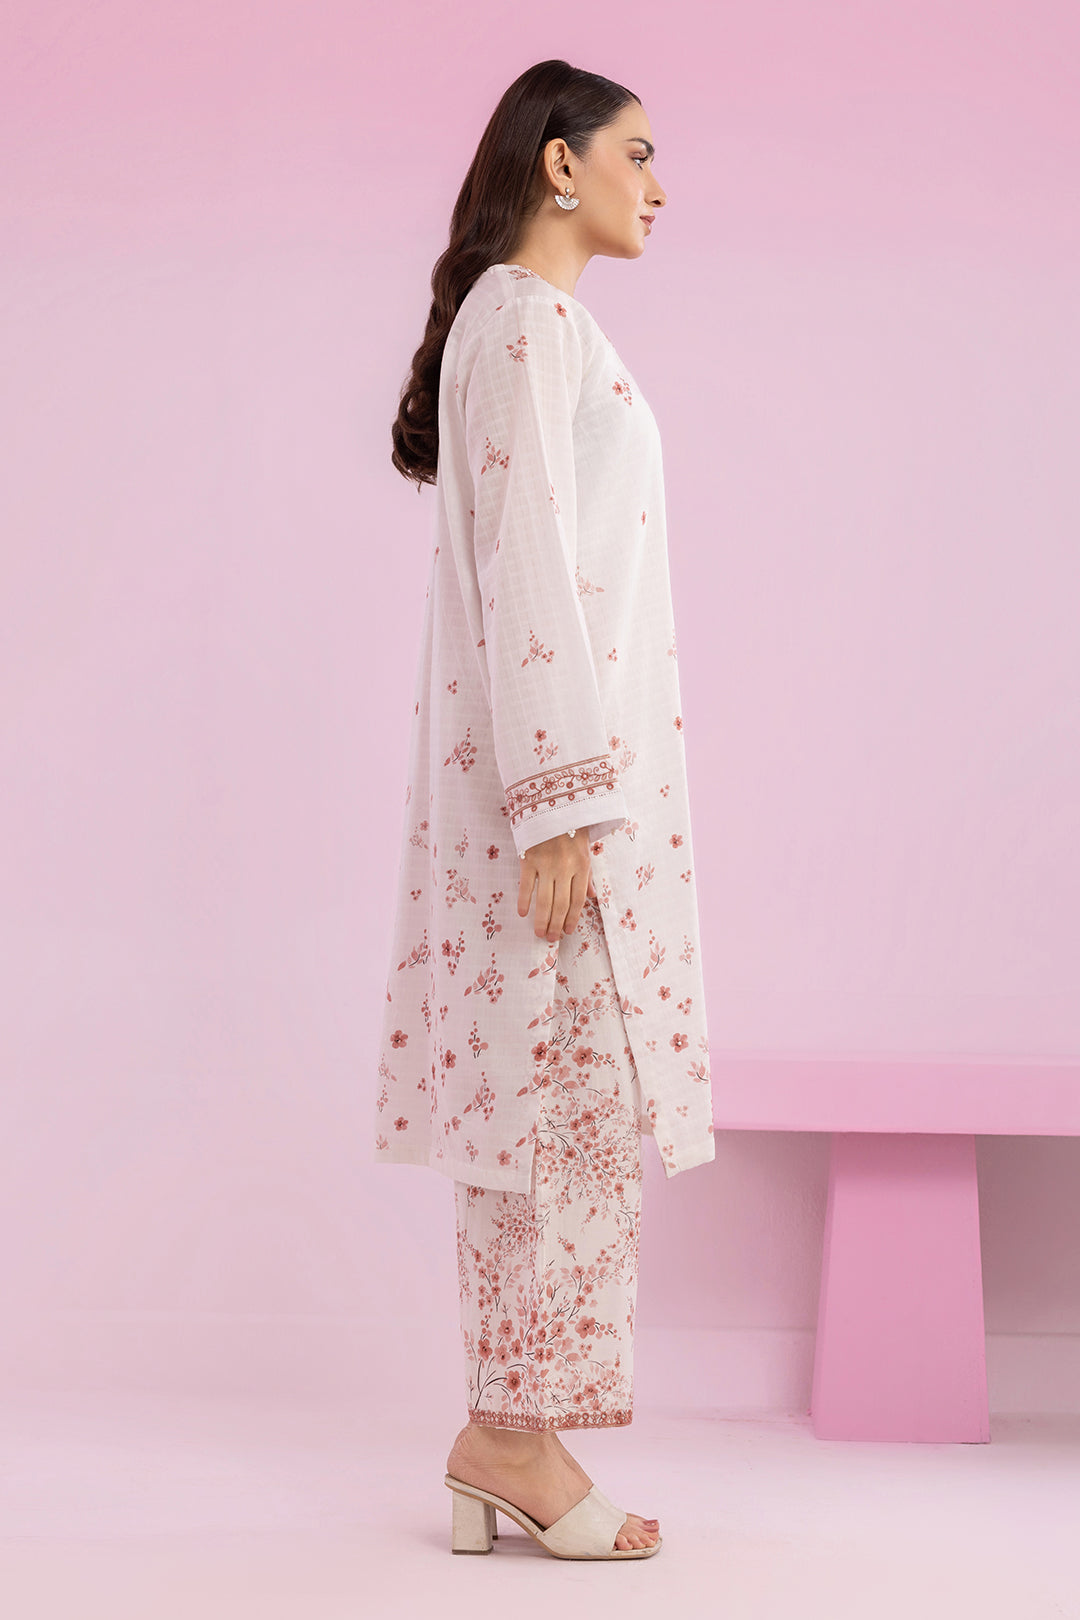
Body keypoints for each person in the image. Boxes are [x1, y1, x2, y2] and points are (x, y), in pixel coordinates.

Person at [376, 59, 715, 1560]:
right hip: (553, 805)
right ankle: (510, 1438)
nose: (660, 185)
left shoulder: (527, 327)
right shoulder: (523, 322)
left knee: (560, 1107)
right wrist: (561, 801)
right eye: (638, 154)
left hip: (559, 788)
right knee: (553, 1104)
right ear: (560, 164)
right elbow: (527, 563)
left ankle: (506, 1433)